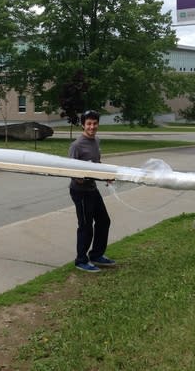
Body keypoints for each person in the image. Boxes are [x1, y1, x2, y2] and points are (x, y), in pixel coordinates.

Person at [68, 110, 116, 272]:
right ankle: (81, 260)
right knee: (85, 226)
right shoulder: (76, 145)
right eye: (89, 123)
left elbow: (96, 163)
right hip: (80, 191)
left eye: (95, 123)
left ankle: (96, 255)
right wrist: (79, 178)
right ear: (83, 125)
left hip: (92, 189)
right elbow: (70, 169)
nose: (92, 127)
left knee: (104, 221)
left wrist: (105, 176)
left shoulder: (96, 141)